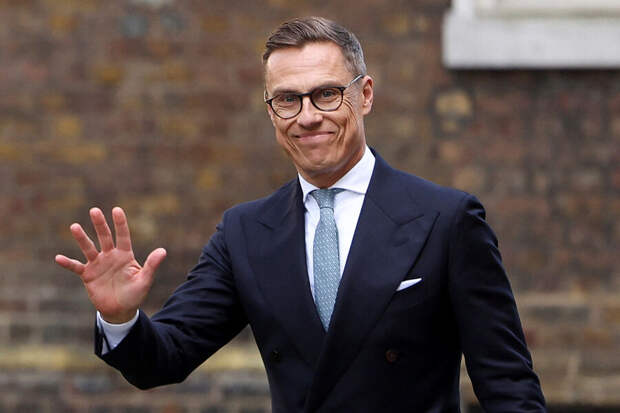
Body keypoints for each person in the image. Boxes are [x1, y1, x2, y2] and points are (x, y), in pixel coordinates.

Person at [55, 16, 546, 413]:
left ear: (364, 95)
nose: (308, 117)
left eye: (326, 94)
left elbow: (507, 384)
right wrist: (120, 318)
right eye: (288, 100)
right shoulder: (246, 232)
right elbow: (165, 357)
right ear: (271, 112)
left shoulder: (447, 219)